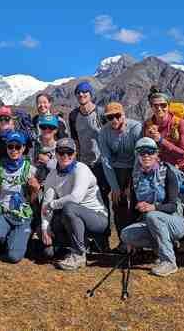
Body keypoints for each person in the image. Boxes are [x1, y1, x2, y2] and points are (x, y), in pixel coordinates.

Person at [119, 138, 184, 277]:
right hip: (151, 223)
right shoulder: (136, 176)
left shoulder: (168, 172)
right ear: (137, 155)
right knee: (126, 235)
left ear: (157, 154)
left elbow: (172, 206)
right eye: (142, 152)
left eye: (150, 152)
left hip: (175, 222)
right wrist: (130, 243)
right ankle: (160, 246)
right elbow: (133, 209)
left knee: (153, 216)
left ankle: (169, 262)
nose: (146, 155)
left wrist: (153, 207)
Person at [143, 87, 184, 250]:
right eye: (155, 106)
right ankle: (168, 237)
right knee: (164, 200)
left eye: (163, 105)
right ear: (151, 107)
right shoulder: (148, 125)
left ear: (168, 105)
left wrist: (161, 140)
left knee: (183, 202)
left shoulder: (179, 123)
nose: (159, 108)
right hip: (164, 168)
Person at [40, 138, 109, 271]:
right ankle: (78, 244)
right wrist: (45, 228)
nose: (65, 156)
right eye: (61, 152)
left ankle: (79, 255)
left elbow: (75, 198)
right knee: (48, 252)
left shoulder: (81, 169)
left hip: (97, 218)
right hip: (73, 217)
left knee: (69, 207)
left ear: (75, 153)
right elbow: (46, 203)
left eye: (69, 152)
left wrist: (52, 205)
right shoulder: (52, 176)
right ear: (55, 154)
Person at [0, 131, 40, 263]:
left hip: (23, 216)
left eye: (18, 147)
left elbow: (32, 201)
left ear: (23, 148)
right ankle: (1, 238)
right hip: (3, 213)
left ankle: (16, 238)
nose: (14, 150)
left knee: (13, 257)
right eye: (10, 146)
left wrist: (36, 190)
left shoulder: (31, 170)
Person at [67, 80, 110, 250]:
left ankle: (103, 239)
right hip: (84, 164)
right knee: (83, 200)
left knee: (103, 200)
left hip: (101, 163)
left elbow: (108, 136)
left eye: (85, 92)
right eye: (78, 92)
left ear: (91, 94)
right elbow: (75, 139)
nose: (82, 95)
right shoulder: (73, 116)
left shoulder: (100, 113)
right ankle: (86, 238)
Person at [97, 102, 143, 246]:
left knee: (136, 202)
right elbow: (106, 159)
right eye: (110, 117)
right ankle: (123, 240)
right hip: (116, 169)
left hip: (137, 167)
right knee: (118, 203)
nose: (114, 120)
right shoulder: (104, 132)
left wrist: (132, 184)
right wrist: (115, 187)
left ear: (124, 115)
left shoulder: (136, 128)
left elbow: (139, 157)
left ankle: (137, 242)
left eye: (117, 116)